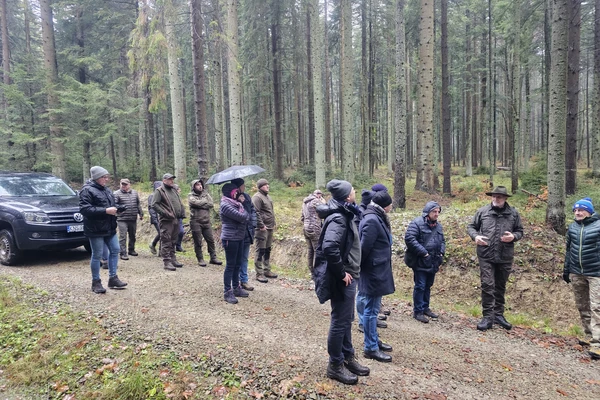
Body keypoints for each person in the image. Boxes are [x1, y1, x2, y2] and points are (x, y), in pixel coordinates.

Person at [314, 179, 369, 385]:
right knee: (340, 321)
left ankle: (347, 356)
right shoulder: (338, 217)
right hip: (343, 279)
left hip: (350, 275)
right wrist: (341, 274)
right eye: (352, 189)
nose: (355, 191)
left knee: (346, 319)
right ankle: (335, 365)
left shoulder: (346, 212)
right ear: (347, 196)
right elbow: (329, 247)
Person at [467, 186, 523, 331]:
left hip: (505, 255)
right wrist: (476, 236)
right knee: (487, 284)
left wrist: (513, 237)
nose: (495, 199)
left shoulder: (513, 214)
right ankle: (487, 317)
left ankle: (498, 314)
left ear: (505, 198)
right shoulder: (482, 212)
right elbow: (471, 227)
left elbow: (520, 231)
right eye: (494, 196)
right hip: (485, 254)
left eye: (499, 197)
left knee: (500, 285)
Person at [358, 191, 395, 363]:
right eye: (391, 203)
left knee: (373, 309)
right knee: (371, 311)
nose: (392, 206)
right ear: (385, 205)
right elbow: (364, 248)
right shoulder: (372, 220)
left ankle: (374, 340)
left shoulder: (376, 216)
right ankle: (370, 347)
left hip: (377, 269)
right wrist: (365, 270)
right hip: (373, 272)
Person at [79, 166, 127, 293]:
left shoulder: (107, 190)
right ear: (97, 178)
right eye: (104, 177)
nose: (107, 179)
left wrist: (119, 208)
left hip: (109, 228)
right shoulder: (86, 190)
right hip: (95, 229)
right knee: (97, 255)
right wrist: (106, 211)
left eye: (107, 177)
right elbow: (85, 209)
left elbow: (110, 206)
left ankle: (113, 278)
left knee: (115, 249)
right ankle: (96, 282)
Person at [563, 197, 600, 351]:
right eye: (575, 210)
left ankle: (598, 342)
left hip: (596, 273)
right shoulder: (572, 228)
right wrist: (567, 270)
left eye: (581, 210)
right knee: (582, 306)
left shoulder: (598, 226)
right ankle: (590, 335)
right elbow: (569, 250)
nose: (577, 213)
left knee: (596, 307)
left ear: (589, 212)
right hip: (577, 273)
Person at [404, 201, 445, 324]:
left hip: (433, 262)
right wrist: (424, 253)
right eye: (434, 211)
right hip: (420, 261)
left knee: (428, 285)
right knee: (420, 286)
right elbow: (410, 239)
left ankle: (425, 307)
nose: (437, 214)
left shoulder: (438, 226)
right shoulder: (416, 223)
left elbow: (442, 240)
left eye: (438, 212)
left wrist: (442, 252)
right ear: (427, 212)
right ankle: (418, 311)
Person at [220, 183, 250, 303]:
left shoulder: (236, 204)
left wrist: (243, 205)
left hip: (239, 237)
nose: (238, 193)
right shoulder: (225, 205)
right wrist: (243, 208)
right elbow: (242, 217)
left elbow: (247, 216)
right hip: (230, 238)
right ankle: (227, 291)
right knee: (230, 265)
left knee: (238, 263)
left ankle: (236, 287)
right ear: (230, 192)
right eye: (235, 191)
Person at [151, 173, 186, 271]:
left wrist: (182, 212)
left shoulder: (174, 189)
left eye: (172, 179)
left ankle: (173, 259)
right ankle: (167, 262)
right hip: (166, 220)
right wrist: (165, 213)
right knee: (166, 240)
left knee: (174, 240)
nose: (172, 181)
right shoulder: (159, 191)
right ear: (164, 180)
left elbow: (179, 202)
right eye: (169, 179)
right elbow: (154, 204)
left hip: (176, 219)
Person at [188, 178, 222, 266]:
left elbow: (211, 204)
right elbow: (194, 203)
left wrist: (200, 204)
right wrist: (203, 203)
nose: (199, 186)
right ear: (193, 186)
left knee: (210, 240)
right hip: (195, 221)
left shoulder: (206, 194)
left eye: (200, 184)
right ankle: (200, 258)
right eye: (197, 185)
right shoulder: (190, 195)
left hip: (206, 221)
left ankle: (213, 257)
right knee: (198, 241)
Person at [231, 178, 256, 291]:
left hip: (247, 231)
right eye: (242, 185)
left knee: (245, 258)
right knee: (236, 260)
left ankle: (244, 280)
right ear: (237, 186)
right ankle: (235, 282)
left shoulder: (247, 196)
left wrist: (254, 223)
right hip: (236, 233)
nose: (244, 187)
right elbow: (235, 215)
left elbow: (252, 210)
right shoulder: (230, 199)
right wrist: (239, 202)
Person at [253, 179, 278, 282]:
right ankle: (259, 273)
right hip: (261, 229)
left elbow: (269, 212)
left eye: (268, 184)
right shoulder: (257, 197)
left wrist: (273, 223)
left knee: (267, 249)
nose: (268, 186)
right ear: (260, 187)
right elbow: (255, 212)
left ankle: (267, 269)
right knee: (260, 250)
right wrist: (261, 225)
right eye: (265, 185)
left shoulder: (267, 197)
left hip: (269, 227)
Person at [113, 178, 144, 260]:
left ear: (129, 185)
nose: (123, 186)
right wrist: (120, 210)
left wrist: (141, 213)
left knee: (132, 235)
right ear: (120, 184)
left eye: (125, 184)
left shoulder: (134, 193)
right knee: (123, 236)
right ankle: (123, 253)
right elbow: (114, 205)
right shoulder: (116, 194)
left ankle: (131, 250)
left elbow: (138, 204)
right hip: (122, 218)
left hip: (133, 218)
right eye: (122, 184)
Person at [302, 189, 326, 273]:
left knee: (310, 249)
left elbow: (302, 217)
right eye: (320, 195)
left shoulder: (305, 201)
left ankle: (311, 270)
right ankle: (317, 271)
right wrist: (323, 202)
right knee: (317, 250)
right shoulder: (316, 201)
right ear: (318, 195)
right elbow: (325, 210)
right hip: (314, 228)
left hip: (305, 228)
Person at [148, 181, 162, 255]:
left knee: (162, 233)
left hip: (162, 218)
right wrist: (155, 219)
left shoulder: (162, 195)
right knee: (161, 233)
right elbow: (151, 208)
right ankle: (154, 245)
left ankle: (160, 250)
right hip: (156, 218)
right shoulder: (152, 196)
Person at [173, 184, 185, 252]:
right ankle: (172, 247)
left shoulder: (179, 197)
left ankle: (178, 246)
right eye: (178, 189)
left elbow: (181, 207)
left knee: (181, 232)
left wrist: (183, 215)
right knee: (173, 233)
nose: (180, 190)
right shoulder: (172, 198)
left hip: (179, 217)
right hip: (173, 217)